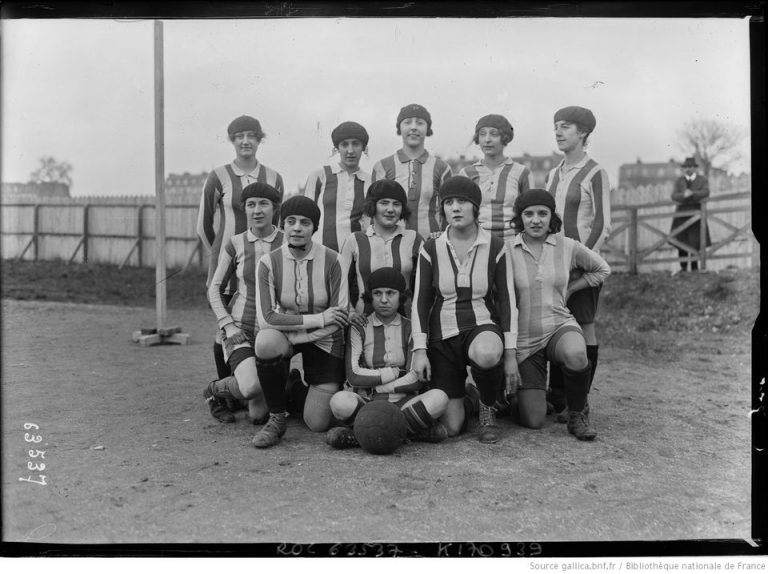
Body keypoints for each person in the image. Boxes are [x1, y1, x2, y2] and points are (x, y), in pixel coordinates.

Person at [411, 175, 519, 443]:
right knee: (452, 426)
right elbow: (420, 301)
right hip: (443, 335)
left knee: (485, 353)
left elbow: (506, 300)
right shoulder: (431, 247)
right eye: (448, 202)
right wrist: (420, 350)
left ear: (475, 207)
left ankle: (487, 406)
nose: (455, 208)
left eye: (462, 201)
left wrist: (510, 354)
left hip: (481, 325)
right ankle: (474, 395)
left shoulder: (495, 246)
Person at [506, 189, 610, 440]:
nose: (536, 220)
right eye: (528, 214)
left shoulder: (567, 246)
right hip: (525, 341)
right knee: (533, 420)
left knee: (576, 353)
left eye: (543, 213)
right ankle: (521, 397)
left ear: (552, 216)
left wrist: (572, 288)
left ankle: (577, 414)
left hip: (558, 326)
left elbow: (602, 269)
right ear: (520, 218)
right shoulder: (506, 249)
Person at [251, 195, 350, 448]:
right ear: (282, 225)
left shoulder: (334, 260)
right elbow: (267, 319)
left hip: (325, 338)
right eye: (291, 221)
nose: (297, 228)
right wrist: (316, 319)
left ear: (314, 228)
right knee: (265, 342)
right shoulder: (268, 262)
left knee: (317, 423)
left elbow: (338, 318)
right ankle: (276, 418)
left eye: (305, 223)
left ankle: (293, 387)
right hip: (289, 333)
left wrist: (303, 333)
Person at [197, 115, 285, 385]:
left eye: (251, 136)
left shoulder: (273, 177)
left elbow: (277, 223)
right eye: (239, 136)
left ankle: (257, 385)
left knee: (259, 318)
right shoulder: (219, 175)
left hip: (261, 259)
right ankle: (224, 390)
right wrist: (223, 252)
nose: (245, 141)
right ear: (232, 141)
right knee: (225, 324)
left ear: (260, 140)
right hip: (227, 258)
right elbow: (204, 224)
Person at [326, 267, 450, 449]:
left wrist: (378, 383)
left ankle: (359, 435)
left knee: (440, 398)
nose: (384, 300)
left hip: (405, 403)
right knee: (339, 402)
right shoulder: (359, 327)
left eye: (390, 293)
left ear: (401, 296)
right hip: (368, 402)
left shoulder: (412, 327)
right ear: (370, 296)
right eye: (377, 293)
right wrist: (395, 372)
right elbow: (353, 375)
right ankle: (408, 433)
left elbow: (416, 378)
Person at [544, 106, 611, 417]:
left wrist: (581, 262)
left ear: (583, 133)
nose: (558, 132)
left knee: (583, 324)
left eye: (566, 127)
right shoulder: (553, 173)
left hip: (581, 266)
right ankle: (558, 395)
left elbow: (602, 224)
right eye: (556, 126)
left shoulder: (595, 172)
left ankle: (578, 401)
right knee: (557, 324)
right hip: (553, 264)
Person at [202, 182, 284, 424]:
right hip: (241, 329)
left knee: (258, 415)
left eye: (263, 204)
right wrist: (228, 325)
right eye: (251, 205)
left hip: (273, 332)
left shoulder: (287, 242)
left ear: (275, 209)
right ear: (244, 209)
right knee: (249, 389)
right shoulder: (235, 243)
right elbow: (214, 288)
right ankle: (214, 391)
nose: (257, 210)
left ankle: (284, 382)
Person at [340, 179, 423, 321]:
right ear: (372, 206)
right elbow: (341, 283)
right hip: (364, 322)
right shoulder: (355, 240)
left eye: (396, 204)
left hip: (406, 322)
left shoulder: (414, 238)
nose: (390, 209)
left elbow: (425, 286)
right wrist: (350, 312)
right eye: (384, 203)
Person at [371, 103, 452, 239]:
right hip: (391, 244)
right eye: (407, 122)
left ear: (427, 129)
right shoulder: (382, 166)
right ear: (400, 128)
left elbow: (449, 209)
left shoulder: (442, 168)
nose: (413, 127)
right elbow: (373, 210)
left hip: (431, 242)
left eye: (420, 123)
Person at [459, 114, 535, 239]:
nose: (487, 139)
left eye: (494, 134)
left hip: (513, 242)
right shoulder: (466, 173)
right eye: (482, 134)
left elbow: (531, 212)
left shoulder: (522, 172)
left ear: (505, 138)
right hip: (477, 242)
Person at [302, 121, 372, 253]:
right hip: (319, 253)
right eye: (344, 144)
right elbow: (305, 216)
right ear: (337, 148)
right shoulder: (320, 175)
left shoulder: (370, 181)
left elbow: (369, 224)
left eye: (356, 144)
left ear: (363, 147)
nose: (350, 150)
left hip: (356, 255)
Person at [670, 156, 711, 272]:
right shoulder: (679, 181)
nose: (688, 169)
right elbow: (673, 196)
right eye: (686, 167)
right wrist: (683, 195)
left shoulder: (702, 180)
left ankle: (694, 268)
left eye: (691, 167)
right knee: (681, 242)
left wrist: (692, 194)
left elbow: (706, 192)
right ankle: (683, 269)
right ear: (684, 169)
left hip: (696, 214)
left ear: (695, 168)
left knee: (695, 242)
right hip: (681, 215)